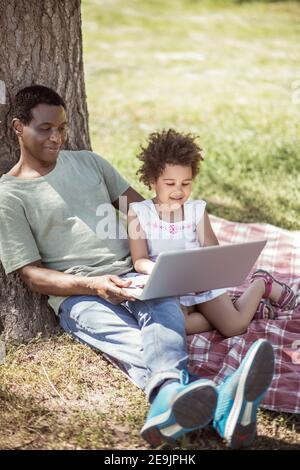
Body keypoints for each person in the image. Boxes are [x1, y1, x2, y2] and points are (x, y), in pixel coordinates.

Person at [0, 85, 275, 449]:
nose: (57, 137)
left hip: (136, 275)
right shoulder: (9, 195)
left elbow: (146, 212)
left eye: (62, 127)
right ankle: (222, 400)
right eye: (45, 128)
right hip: (81, 296)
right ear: (19, 127)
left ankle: (173, 400)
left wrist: (186, 249)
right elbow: (31, 275)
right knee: (135, 338)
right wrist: (95, 284)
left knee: (161, 318)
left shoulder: (89, 163)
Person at [127, 129, 296, 336]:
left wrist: (203, 276)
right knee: (180, 325)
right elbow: (139, 260)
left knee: (235, 327)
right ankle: (242, 308)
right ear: (152, 181)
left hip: (201, 283)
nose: (179, 191)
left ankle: (261, 283)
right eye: (170, 184)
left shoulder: (195, 210)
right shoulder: (138, 212)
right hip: (168, 286)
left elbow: (211, 248)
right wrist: (160, 271)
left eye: (186, 183)